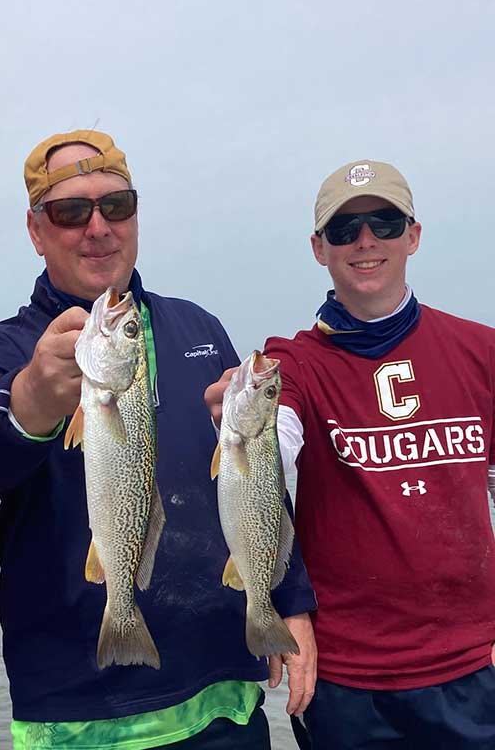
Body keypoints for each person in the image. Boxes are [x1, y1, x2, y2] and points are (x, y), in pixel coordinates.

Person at [0, 129, 317, 749]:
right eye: (70, 211)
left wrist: (289, 599)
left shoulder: (198, 328)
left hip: (222, 700)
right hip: (78, 712)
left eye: (116, 206)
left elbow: (257, 478)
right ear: (36, 231)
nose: (98, 228)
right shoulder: (11, 347)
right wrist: (30, 398)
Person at [208, 159, 495, 749]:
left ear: (413, 236)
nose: (365, 241)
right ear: (320, 248)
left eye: (384, 223)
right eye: (344, 230)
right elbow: (275, 444)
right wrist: (240, 423)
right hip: (345, 679)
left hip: (475, 668)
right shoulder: (290, 365)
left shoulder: (480, 350)